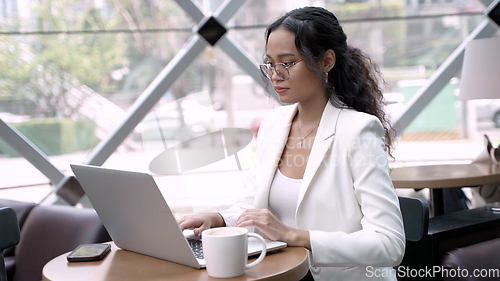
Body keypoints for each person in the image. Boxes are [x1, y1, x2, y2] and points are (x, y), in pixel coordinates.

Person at [178, 6, 405, 281]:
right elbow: (253, 208)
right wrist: (217, 219)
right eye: (270, 63)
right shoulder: (274, 124)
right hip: (281, 274)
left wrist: (295, 236)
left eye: (287, 63)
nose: (275, 75)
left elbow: (389, 243)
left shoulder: (358, 131)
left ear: (326, 61)